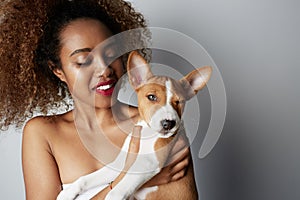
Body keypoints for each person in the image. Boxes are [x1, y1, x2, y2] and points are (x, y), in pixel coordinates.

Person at [0, 0, 196, 199]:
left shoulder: (156, 124)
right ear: (57, 70)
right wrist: (130, 181)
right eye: (84, 61)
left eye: (111, 54)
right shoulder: (43, 133)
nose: (105, 69)